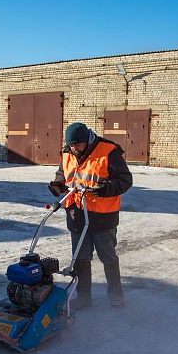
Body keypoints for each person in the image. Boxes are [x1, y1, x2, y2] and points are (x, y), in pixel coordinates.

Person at [49, 122, 133, 308]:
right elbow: (62, 174)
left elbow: (125, 180)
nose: (74, 148)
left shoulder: (108, 151)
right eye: (71, 145)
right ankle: (84, 298)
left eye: (77, 144)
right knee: (80, 259)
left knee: (108, 258)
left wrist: (105, 188)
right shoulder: (67, 153)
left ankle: (116, 298)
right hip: (76, 215)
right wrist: (57, 184)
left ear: (87, 139)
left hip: (102, 217)